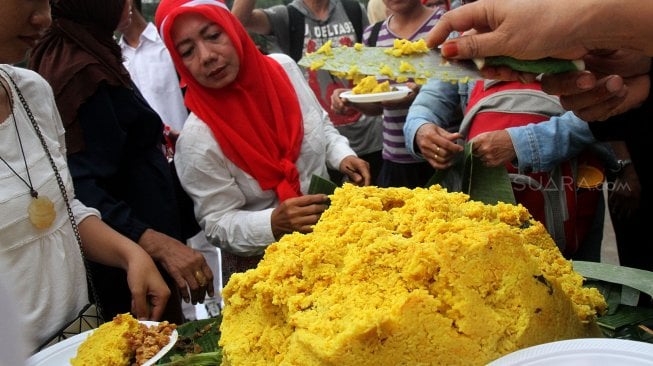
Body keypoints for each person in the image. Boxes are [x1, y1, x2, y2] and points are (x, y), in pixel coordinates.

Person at [154, 0, 371, 282]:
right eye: (187, 51)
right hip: (264, 276)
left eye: (213, 36)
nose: (206, 55)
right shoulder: (197, 141)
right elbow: (217, 222)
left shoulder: (284, 70)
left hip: (332, 245)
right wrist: (272, 223)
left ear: (233, 29)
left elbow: (320, 124)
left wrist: (342, 156)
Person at [28, 0, 213, 324]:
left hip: (148, 254)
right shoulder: (78, 71)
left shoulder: (90, 48)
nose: (129, 3)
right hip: (128, 274)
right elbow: (79, 187)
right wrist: (157, 244)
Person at [0, 0, 170, 351]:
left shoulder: (32, 91)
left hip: (81, 340)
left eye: (45, 1)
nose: (45, 18)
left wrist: (130, 253)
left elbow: (61, 208)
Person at [118, 0, 222, 319]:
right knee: (173, 238)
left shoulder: (168, 44)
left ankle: (217, 300)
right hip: (155, 162)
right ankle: (189, 310)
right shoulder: (115, 56)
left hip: (189, 150)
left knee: (205, 227)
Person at [232, 0, 384, 184]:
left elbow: (371, 65)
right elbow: (236, 24)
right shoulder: (286, 16)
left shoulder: (352, 9)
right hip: (321, 145)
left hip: (370, 137)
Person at [331, 0, 445, 188]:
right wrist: (352, 99)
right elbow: (376, 105)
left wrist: (421, 96)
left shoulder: (445, 25)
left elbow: (463, 94)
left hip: (440, 156)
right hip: (396, 159)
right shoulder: (373, 35)